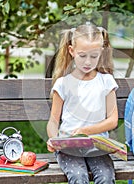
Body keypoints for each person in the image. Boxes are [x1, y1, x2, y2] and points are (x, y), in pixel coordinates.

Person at [46, 23, 119, 184]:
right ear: (72, 51)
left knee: (106, 177)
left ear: (101, 52)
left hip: (97, 148)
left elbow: (113, 120)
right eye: (82, 55)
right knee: (78, 177)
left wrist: (86, 131)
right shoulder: (63, 84)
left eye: (93, 56)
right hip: (69, 149)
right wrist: (54, 139)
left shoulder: (106, 81)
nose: (88, 62)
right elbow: (53, 121)